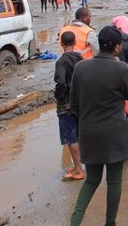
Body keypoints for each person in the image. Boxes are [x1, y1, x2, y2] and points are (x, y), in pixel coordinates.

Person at [69, 26, 128, 225]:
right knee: (114, 181)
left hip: (89, 132)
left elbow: (74, 104)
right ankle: (110, 222)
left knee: (91, 180)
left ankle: (75, 221)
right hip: (115, 133)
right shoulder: (121, 68)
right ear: (117, 48)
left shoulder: (80, 67)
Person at [54, 31, 85, 182]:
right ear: (74, 43)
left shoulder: (61, 62)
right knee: (79, 134)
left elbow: (60, 82)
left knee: (71, 137)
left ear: (61, 44)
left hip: (66, 103)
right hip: (80, 102)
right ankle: (79, 165)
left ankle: (78, 169)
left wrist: (59, 96)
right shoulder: (80, 59)